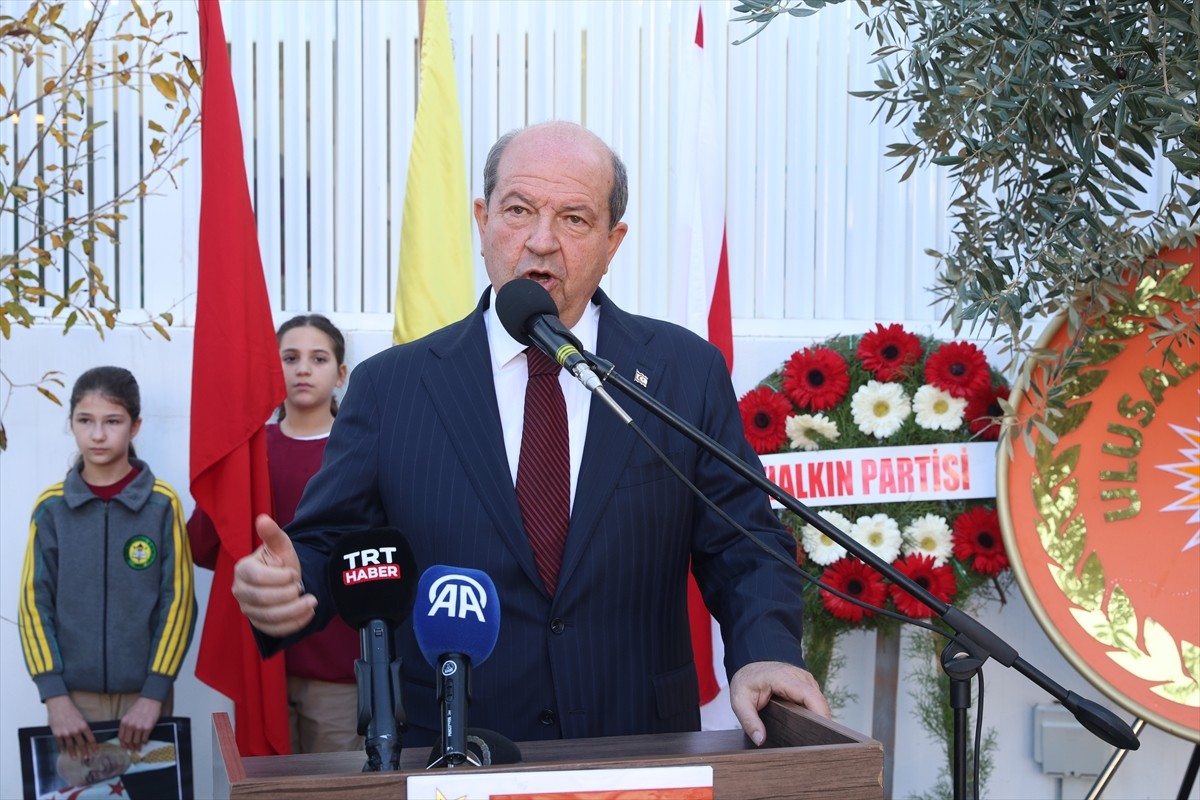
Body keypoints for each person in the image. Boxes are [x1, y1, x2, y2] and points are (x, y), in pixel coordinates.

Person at [232, 121, 829, 747]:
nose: (541, 242)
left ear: (612, 241)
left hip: (636, 745)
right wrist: (288, 578)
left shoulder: (682, 371)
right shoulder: (394, 386)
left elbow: (742, 540)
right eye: (518, 211)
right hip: (453, 745)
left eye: (574, 219)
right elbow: (333, 542)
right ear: (483, 220)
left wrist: (765, 650)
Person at [187, 314, 360, 754]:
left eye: (318, 358)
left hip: (339, 670)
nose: (303, 368)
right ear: (272, 368)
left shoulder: (359, 450)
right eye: (289, 357)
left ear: (341, 373)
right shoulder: (248, 449)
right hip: (260, 663)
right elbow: (207, 545)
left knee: (338, 787)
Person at [18, 367, 196, 759]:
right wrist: (54, 697)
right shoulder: (51, 508)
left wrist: (154, 692)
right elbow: (34, 605)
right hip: (73, 703)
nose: (98, 435)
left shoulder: (161, 504)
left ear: (134, 427)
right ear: (72, 424)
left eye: (112, 421)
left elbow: (178, 603)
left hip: (146, 701)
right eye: (86, 421)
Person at [49, 736, 179, 799]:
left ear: (87, 743)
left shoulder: (134, 720)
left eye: (87, 760)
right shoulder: (137, 795)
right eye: (92, 776)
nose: (100, 768)